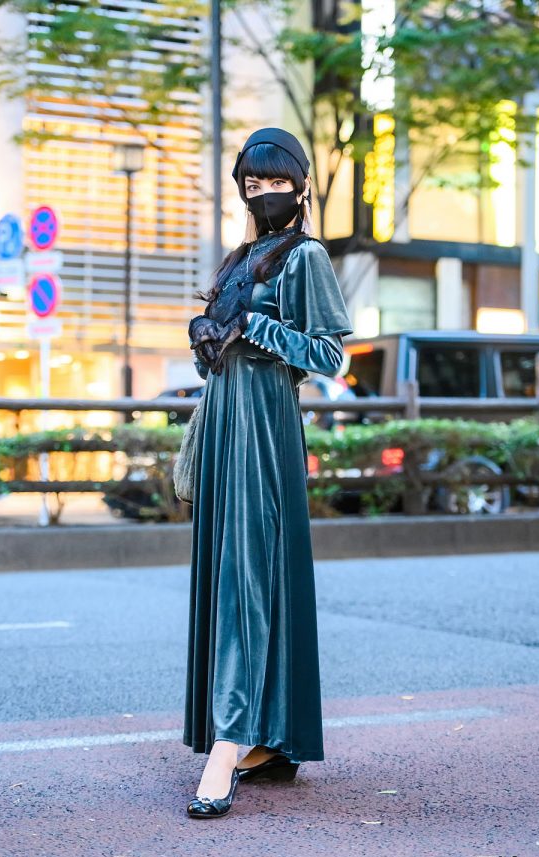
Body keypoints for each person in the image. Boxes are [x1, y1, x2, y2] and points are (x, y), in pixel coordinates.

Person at [184, 127, 354, 819]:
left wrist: (256, 329)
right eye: (251, 185)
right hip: (225, 420)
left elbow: (329, 355)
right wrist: (206, 339)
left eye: (273, 182)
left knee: (248, 573)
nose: (262, 194)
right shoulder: (239, 258)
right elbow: (221, 351)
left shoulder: (306, 254)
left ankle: (231, 742)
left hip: (264, 427)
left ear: (300, 185)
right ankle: (268, 742)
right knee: (236, 572)